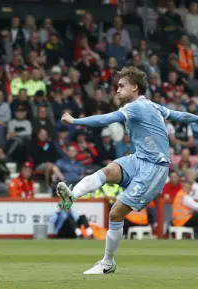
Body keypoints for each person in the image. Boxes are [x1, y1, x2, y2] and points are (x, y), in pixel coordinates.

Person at [57, 66, 198, 275]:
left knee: (115, 213)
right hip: (138, 158)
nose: (117, 90)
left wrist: (75, 121)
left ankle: (107, 263)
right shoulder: (155, 107)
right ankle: (72, 196)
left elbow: (106, 119)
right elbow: (179, 115)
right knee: (108, 171)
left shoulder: (136, 107)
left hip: (154, 167)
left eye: (121, 86)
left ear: (135, 87)